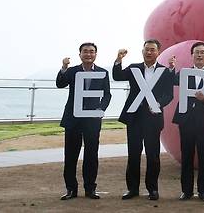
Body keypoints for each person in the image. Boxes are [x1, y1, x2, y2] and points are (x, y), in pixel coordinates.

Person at [113, 39, 174, 201]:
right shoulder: (134, 68)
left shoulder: (165, 71)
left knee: (153, 155)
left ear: (158, 52)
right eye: (146, 49)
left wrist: (157, 104)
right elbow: (117, 76)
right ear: (142, 51)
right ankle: (132, 189)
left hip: (153, 118)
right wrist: (119, 60)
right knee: (133, 154)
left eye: (152, 49)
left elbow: (169, 95)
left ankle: (152, 189)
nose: (149, 52)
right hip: (134, 118)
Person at [56, 42, 112, 200]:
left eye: (92, 52)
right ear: (80, 54)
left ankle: (90, 189)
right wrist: (64, 67)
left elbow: (107, 95)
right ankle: (71, 189)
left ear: (96, 54)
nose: (88, 54)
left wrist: (100, 110)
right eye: (85, 52)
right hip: (73, 119)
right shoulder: (72, 71)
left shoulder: (103, 72)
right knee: (70, 156)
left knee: (91, 155)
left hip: (92, 120)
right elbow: (60, 84)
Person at [169, 42, 204, 201]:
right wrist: (171, 67)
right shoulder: (184, 73)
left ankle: (203, 190)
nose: (199, 55)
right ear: (192, 55)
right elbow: (173, 81)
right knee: (186, 156)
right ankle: (186, 191)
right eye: (197, 52)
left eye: (202, 52)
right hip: (186, 120)